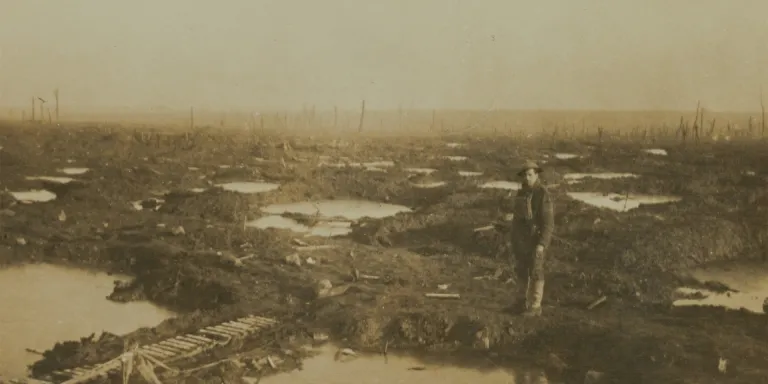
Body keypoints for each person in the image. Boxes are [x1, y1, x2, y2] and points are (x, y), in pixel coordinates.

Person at [508, 160, 555, 317]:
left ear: (536, 175)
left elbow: (548, 223)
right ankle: (521, 302)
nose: (527, 178)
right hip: (522, 240)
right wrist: (514, 238)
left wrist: (542, 244)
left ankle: (535, 306)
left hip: (536, 240)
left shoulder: (543, 194)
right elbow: (517, 218)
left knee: (536, 270)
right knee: (521, 270)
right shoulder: (522, 193)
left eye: (530, 175)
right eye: (525, 175)